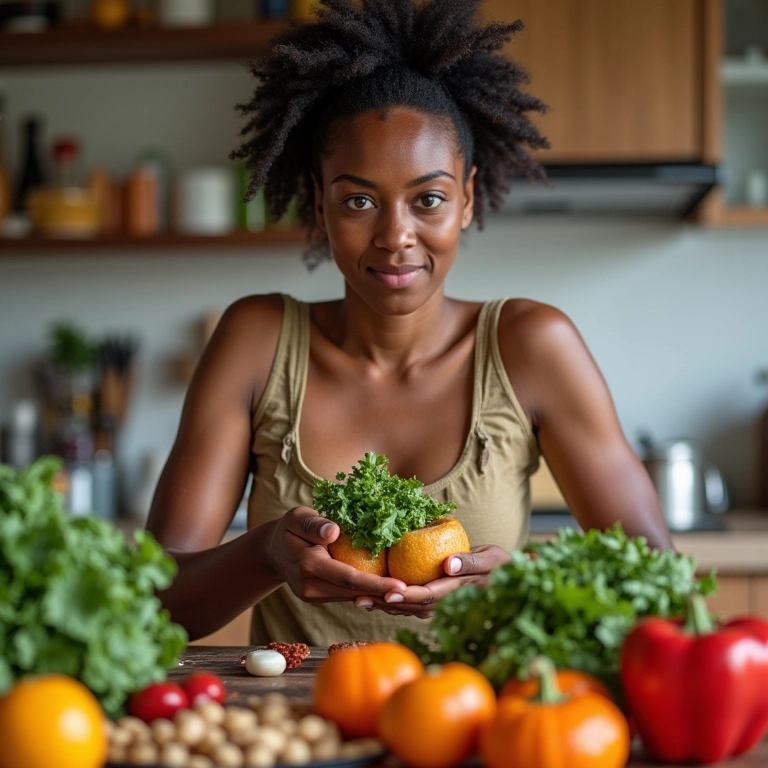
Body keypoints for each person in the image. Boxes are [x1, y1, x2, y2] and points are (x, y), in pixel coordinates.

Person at [146, 0, 673, 646]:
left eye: (427, 199)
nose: (396, 236)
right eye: (359, 199)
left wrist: (520, 579)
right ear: (319, 201)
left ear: (467, 198)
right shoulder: (256, 340)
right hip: (300, 735)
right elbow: (153, 598)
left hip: (476, 733)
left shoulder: (533, 346)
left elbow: (660, 588)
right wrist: (264, 555)